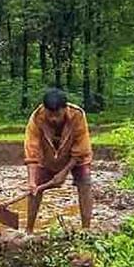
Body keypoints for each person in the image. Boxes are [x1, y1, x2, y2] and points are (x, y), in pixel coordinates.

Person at [23, 88, 93, 233]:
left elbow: (81, 148)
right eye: (50, 115)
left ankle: (86, 229)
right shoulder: (37, 118)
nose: (53, 119)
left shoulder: (77, 115)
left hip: (76, 158)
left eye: (57, 115)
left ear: (65, 109)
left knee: (85, 183)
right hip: (48, 156)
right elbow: (32, 149)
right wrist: (31, 181)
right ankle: (28, 230)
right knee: (35, 188)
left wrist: (64, 172)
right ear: (44, 110)